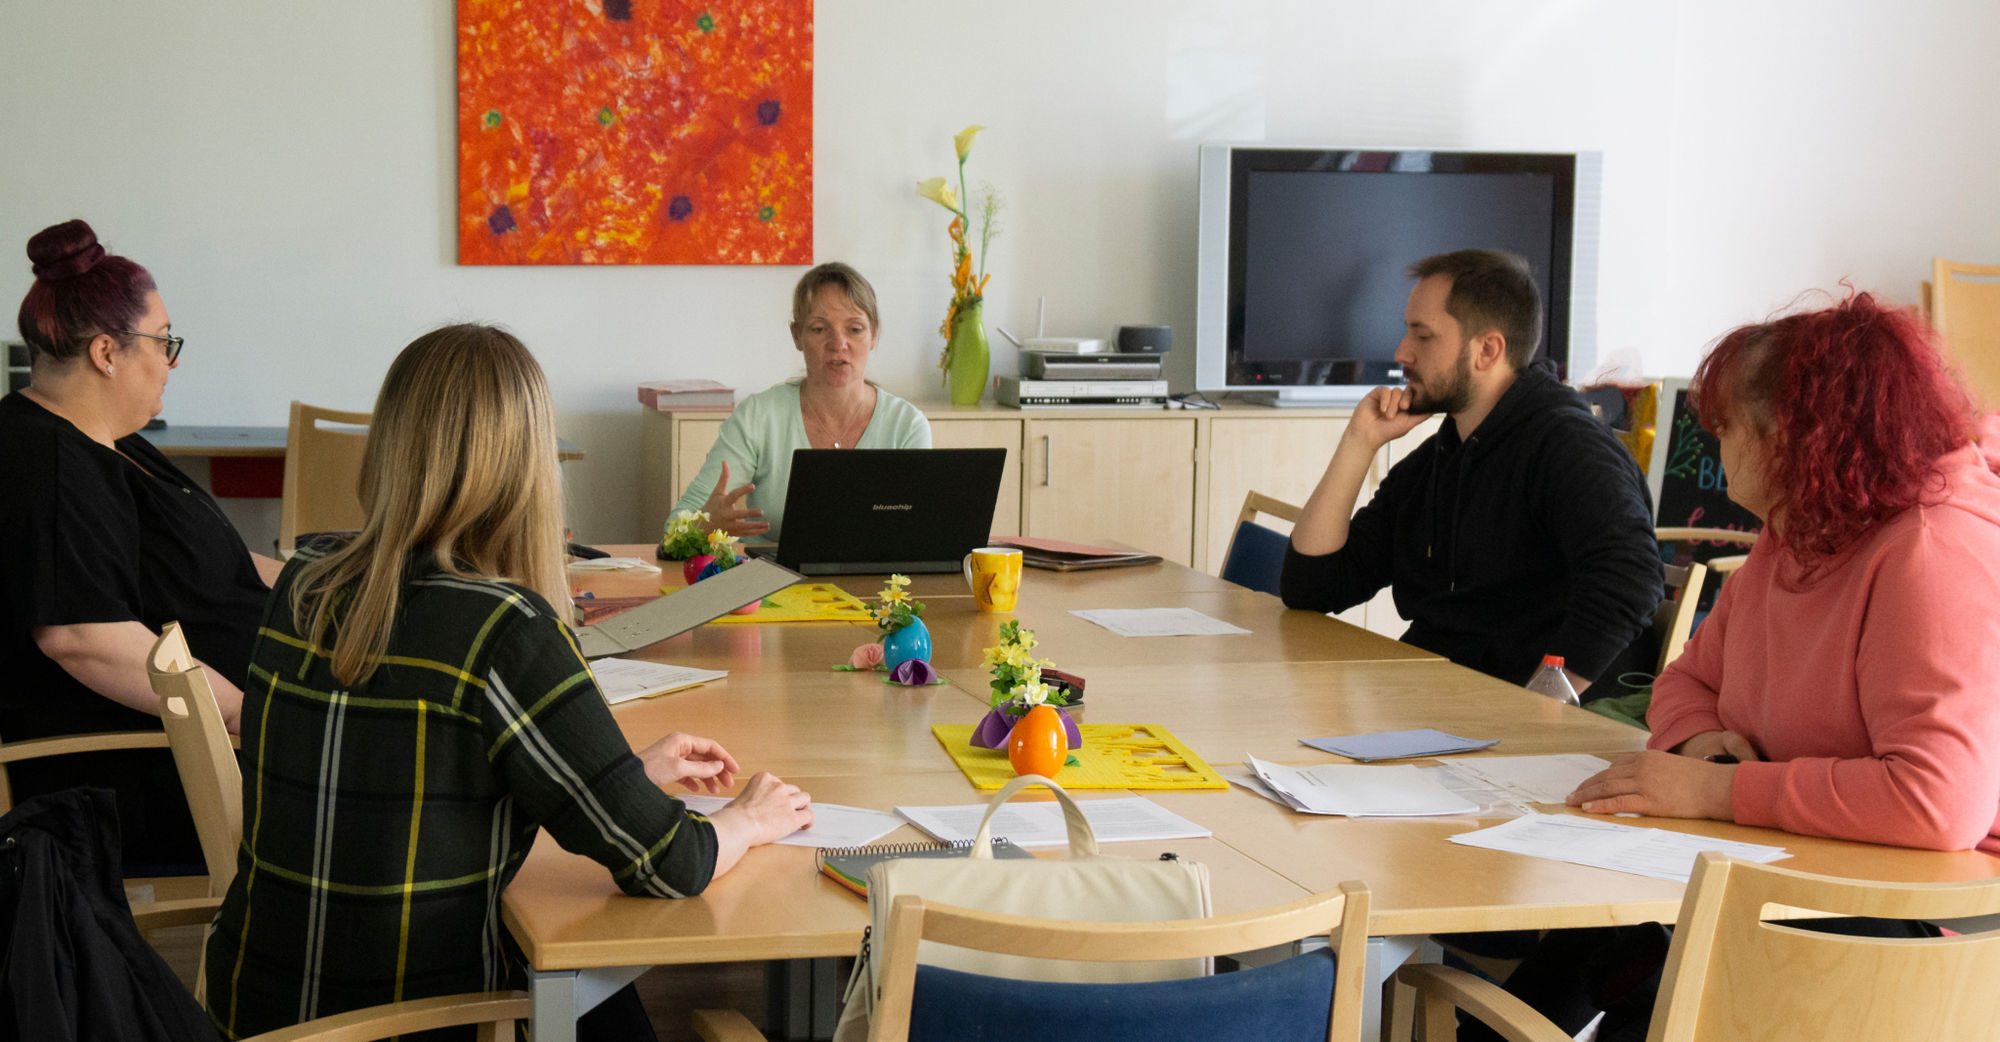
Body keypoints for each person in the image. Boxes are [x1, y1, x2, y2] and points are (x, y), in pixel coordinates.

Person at [203, 325, 815, 1041]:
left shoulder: (307, 578)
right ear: (528, 464)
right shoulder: (506, 627)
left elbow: (417, 767)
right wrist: (749, 819)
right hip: (411, 1020)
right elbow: (668, 866)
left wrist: (622, 775)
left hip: (257, 1006)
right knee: (612, 997)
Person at [1474, 291, 2000, 1042]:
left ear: (1795, 436)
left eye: (1725, 429)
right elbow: (1689, 680)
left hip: (1926, 917)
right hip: (1810, 871)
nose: (1713, 445)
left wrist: (1720, 791)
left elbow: (1937, 806)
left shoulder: (1932, 551)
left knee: (1635, 953)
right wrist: (1696, 744)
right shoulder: (1800, 531)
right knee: (1604, 940)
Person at [0, 219, 281, 871]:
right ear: (106, 353)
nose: (172, 359)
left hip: (190, 740)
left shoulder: (109, 443)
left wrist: (336, 586)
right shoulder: (48, 464)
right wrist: (249, 715)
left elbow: (221, 570)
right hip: (137, 767)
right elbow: (82, 636)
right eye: (164, 341)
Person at [1280, 249, 1661, 691]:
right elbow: (1311, 590)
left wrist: (1539, 707)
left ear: (1487, 350)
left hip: (1520, 721)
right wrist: (1358, 443)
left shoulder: (1568, 445)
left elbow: (1630, 581)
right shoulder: (1442, 454)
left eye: (1423, 336)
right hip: (1436, 701)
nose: (1402, 351)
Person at [672, 261, 931, 542]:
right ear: (797, 335)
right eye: (819, 329)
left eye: (855, 329)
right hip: (772, 581)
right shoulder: (759, 416)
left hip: (877, 585)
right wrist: (703, 526)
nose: (838, 343)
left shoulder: (907, 424)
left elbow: (914, 534)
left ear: (874, 335)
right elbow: (675, 529)